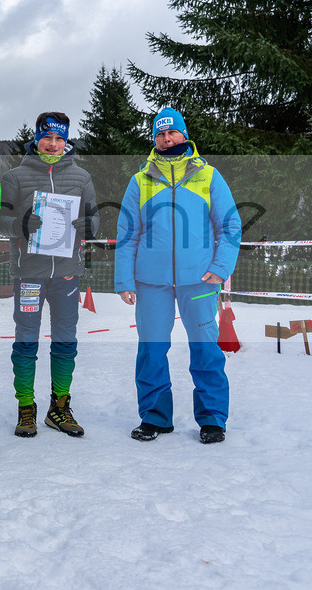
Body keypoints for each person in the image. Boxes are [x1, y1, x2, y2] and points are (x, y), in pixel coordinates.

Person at [115, 107, 241, 444]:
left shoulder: (209, 176)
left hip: (199, 279)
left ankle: (213, 419)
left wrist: (220, 266)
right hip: (150, 281)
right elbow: (127, 233)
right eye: (160, 134)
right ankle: (155, 417)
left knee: (205, 348)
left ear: (184, 135)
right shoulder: (140, 180)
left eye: (172, 133)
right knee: (152, 350)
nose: (166, 138)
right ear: (154, 139)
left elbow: (229, 227)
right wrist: (124, 280)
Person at [0, 112, 99, 438]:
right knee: (26, 340)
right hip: (30, 272)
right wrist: (19, 225)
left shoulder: (82, 177)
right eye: (47, 137)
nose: (53, 144)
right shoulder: (16, 177)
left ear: (66, 140)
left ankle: (60, 406)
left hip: (67, 273)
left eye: (59, 139)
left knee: (66, 340)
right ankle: (26, 408)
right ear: (37, 138)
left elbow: (94, 220)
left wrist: (88, 226)